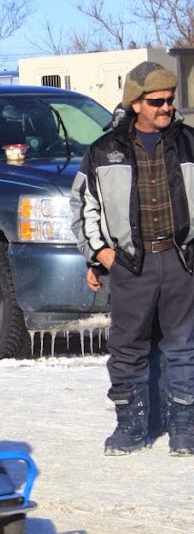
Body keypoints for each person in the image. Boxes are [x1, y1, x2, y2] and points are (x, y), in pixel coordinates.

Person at [71, 61, 194, 458]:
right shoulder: (103, 151)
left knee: (184, 346)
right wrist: (100, 254)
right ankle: (131, 425)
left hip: (181, 261)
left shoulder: (191, 143)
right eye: (157, 101)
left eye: (170, 101)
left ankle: (185, 426)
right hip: (130, 264)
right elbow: (83, 206)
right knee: (127, 348)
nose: (166, 108)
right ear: (135, 103)